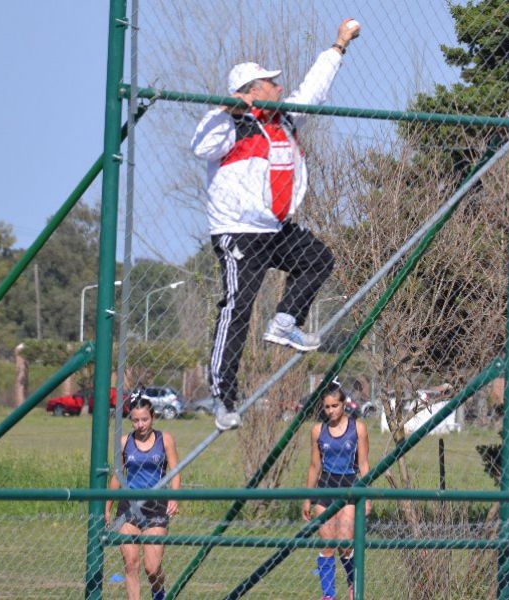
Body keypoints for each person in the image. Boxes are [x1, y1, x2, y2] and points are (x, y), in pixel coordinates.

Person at [191, 19, 362, 431]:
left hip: (275, 228)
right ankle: (222, 397)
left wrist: (338, 46)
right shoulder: (232, 126)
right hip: (239, 232)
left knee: (318, 259)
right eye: (269, 83)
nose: (277, 87)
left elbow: (314, 89)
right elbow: (201, 146)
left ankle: (286, 321)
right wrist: (224, 109)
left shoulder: (283, 119)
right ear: (249, 92)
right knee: (237, 308)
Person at [105, 396, 180, 600]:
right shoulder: (124, 442)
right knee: (131, 564)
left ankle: (158, 590)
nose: (140, 425)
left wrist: (174, 498)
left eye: (144, 419)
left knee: (152, 568)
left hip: (156, 507)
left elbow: (175, 470)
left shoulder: (165, 439)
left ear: (153, 417)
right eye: (135, 420)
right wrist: (107, 506)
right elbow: (117, 476)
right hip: (128, 508)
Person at [302, 382, 370, 600]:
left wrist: (366, 497)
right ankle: (328, 595)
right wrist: (308, 498)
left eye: (335, 406)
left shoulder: (358, 428)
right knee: (328, 544)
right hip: (325, 488)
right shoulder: (317, 431)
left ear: (344, 404)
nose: (331, 411)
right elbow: (314, 466)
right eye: (327, 407)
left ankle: (353, 585)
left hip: (350, 489)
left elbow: (365, 464)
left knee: (344, 541)